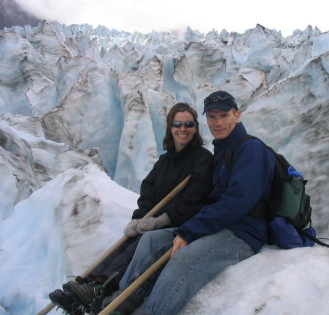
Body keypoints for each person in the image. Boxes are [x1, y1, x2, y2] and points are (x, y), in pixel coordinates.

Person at [107, 90, 276, 315]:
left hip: (243, 232)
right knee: (151, 240)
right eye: (212, 117)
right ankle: (123, 302)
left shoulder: (251, 149)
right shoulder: (223, 149)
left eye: (223, 116)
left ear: (237, 115)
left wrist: (191, 230)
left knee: (183, 258)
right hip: (220, 226)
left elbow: (237, 201)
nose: (217, 122)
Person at [48, 102, 213, 315]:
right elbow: (148, 192)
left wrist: (158, 221)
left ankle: (100, 289)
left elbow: (194, 200)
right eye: (178, 124)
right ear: (170, 127)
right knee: (126, 242)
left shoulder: (203, 160)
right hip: (156, 220)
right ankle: (86, 285)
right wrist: (140, 219)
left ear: (195, 128)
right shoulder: (164, 161)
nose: (183, 129)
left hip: (179, 224)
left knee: (141, 244)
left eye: (188, 124)